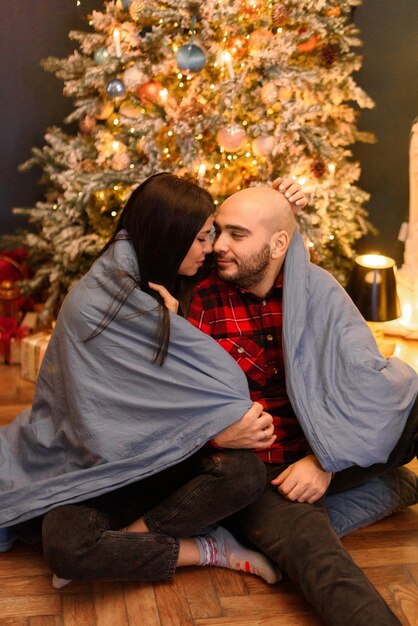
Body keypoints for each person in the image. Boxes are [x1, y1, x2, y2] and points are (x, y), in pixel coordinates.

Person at [0, 172, 307, 587]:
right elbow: (93, 417)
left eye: (213, 234)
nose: (213, 247)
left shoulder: (191, 275)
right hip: (103, 463)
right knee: (63, 545)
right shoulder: (97, 303)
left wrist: (283, 204)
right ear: (170, 235)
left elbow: (262, 254)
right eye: (201, 237)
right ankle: (207, 548)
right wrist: (214, 434)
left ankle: (129, 541)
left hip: (166, 460)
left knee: (245, 474)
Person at [187, 185, 418, 626]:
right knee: (320, 561)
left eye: (236, 235)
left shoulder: (317, 289)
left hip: (329, 444)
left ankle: (367, 487)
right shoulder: (203, 299)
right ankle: (395, 489)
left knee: (412, 394)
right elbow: (185, 402)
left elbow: (371, 383)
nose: (218, 245)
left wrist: (325, 459)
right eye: (218, 232)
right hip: (268, 473)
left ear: (278, 245)